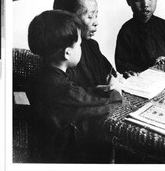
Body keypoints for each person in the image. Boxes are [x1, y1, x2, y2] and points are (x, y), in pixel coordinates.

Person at [27, 10, 122, 163]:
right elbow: (109, 105)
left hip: (45, 150)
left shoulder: (44, 77)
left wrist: (97, 89)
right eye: (79, 44)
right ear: (67, 53)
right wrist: (115, 90)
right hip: (66, 158)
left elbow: (77, 96)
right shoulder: (62, 88)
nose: (81, 48)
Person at [53, 0, 123, 90]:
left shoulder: (92, 46)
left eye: (96, 15)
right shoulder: (64, 58)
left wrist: (120, 77)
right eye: (90, 17)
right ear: (70, 21)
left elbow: (111, 74)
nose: (96, 22)